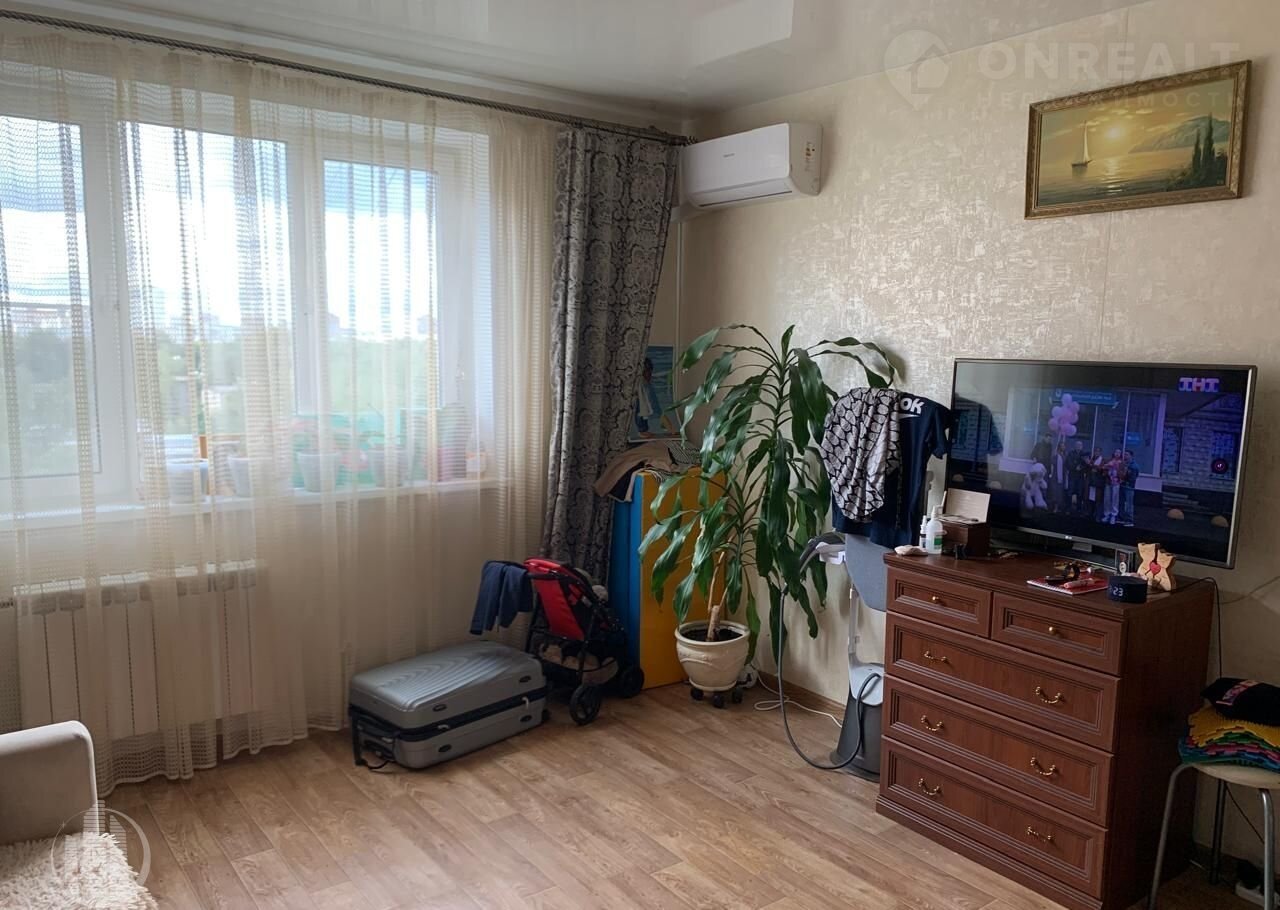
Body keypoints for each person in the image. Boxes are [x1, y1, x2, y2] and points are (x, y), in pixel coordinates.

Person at [1066, 440, 1088, 514]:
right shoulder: (1071, 453)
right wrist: (1075, 467)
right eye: (1077, 445)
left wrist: (1081, 467)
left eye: (1080, 445)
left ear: (1082, 446)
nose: (1079, 446)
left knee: (1080, 493)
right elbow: (1068, 463)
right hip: (1072, 476)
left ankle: (1079, 509)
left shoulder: (1084, 454)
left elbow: (1086, 464)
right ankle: (1068, 508)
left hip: (1080, 477)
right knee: (1070, 492)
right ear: (1075, 446)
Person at [1102, 449, 1123, 524]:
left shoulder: (1122, 462)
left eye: (1119, 452)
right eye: (1116, 452)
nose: (1117, 453)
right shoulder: (1109, 460)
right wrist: (1106, 468)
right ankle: (1106, 514)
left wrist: (1118, 473)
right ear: (1114, 453)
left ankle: (1113, 515)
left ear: (1120, 454)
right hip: (1108, 482)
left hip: (1116, 482)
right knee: (1107, 498)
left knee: (1115, 499)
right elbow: (1103, 468)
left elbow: (1123, 473)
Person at [1119, 450, 1139, 526]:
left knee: (1129, 504)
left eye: (1127, 454)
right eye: (1124, 454)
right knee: (1121, 503)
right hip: (1122, 486)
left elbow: (1133, 478)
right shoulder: (1124, 464)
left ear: (1131, 456)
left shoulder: (1134, 466)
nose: (1125, 456)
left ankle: (1129, 521)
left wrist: (1124, 480)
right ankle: (1121, 518)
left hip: (1129, 487)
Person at [1048, 442, 1067, 513]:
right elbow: (1052, 464)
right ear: (1059, 447)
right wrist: (1051, 474)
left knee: (1060, 493)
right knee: (1054, 492)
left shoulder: (1065, 456)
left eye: (1064, 446)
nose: (1063, 447)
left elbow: (1066, 467)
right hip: (1055, 477)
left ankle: (1058, 507)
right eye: (1062, 446)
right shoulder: (1055, 456)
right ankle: (1054, 507)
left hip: (1062, 478)